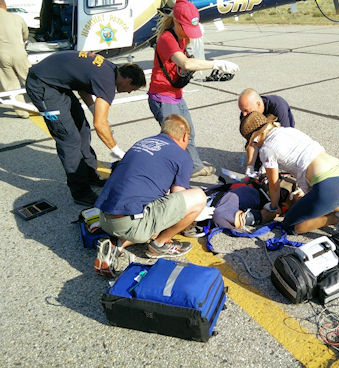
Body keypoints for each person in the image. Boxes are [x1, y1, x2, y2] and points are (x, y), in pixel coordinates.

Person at [25, 51, 146, 206]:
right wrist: (119, 153)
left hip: (58, 85)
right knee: (69, 139)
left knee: (83, 130)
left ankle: (90, 175)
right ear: (128, 79)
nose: (129, 92)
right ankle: (80, 192)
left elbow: (83, 88)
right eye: (132, 88)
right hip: (42, 85)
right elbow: (100, 125)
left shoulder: (110, 69)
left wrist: (96, 113)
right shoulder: (108, 81)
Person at [94, 114, 208, 276]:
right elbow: (178, 199)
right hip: (130, 224)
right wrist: (195, 215)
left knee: (152, 208)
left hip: (105, 218)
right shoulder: (182, 156)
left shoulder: (142, 143)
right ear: (185, 136)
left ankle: (116, 245)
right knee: (198, 197)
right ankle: (160, 245)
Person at [148, 0, 239, 178]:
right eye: (187, 28)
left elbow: (184, 64)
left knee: (188, 132)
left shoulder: (180, 37)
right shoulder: (167, 38)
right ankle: (172, 177)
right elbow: (186, 63)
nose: (189, 35)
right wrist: (217, 63)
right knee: (175, 139)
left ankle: (195, 167)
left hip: (175, 94)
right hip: (162, 97)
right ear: (177, 22)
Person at [239, 111, 339, 237]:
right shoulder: (289, 131)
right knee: (310, 203)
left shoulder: (267, 149)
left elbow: (274, 185)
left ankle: (336, 218)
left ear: (257, 136)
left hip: (330, 188)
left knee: (290, 226)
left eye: (253, 141)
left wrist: (274, 207)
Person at [238, 88, 296, 176]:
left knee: (276, 166)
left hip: (283, 133)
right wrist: (250, 165)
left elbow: (284, 138)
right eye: (242, 110)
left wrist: (268, 163)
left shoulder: (278, 106)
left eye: (246, 110)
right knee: (257, 167)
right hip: (264, 136)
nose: (243, 115)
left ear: (258, 104)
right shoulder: (246, 114)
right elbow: (251, 141)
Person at [0, 0, 31, 118]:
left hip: (2, 55)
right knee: (29, 79)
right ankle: (43, 103)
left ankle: (22, 112)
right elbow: (25, 35)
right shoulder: (17, 17)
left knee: (11, 84)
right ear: (5, 6)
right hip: (19, 53)